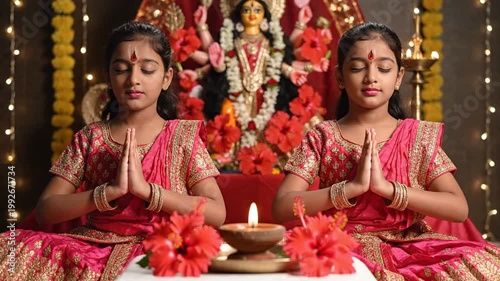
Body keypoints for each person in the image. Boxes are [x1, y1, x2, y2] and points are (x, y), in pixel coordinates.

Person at [272, 22, 500, 279]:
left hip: (409, 249)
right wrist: (350, 188)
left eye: (383, 68)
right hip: (337, 245)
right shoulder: (323, 136)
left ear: (399, 77)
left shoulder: (416, 137)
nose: (371, 77)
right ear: (339, 77)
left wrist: (388, 189)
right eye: (358, 67)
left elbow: (458, 208)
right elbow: (282, 206)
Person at [0, 21, 226, 280]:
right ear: (108, 77)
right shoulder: (91, 137)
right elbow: (46, 210)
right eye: (121, 69)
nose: (133, 79)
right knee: (12, 248)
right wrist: (108, 192)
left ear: (166, 78)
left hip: (166, 247)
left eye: (147, 70)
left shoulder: (182, 137)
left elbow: (217, 213)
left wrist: (149, 192)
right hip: (93, 249)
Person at [199, 0, 327, 146]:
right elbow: (224, 69)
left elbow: (280, 64)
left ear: (265, 15)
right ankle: (231, 153)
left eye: (257, 10)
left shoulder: (271, 41)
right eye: (247, 10)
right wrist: (219, 66)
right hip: (237, 96)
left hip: (266, 96)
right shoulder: (232, 41)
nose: (252, 14)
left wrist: (292, 72)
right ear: (238, 14)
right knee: (227, 118)